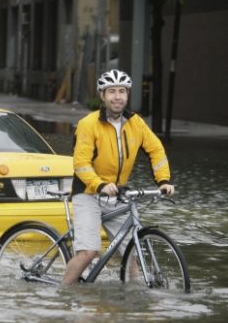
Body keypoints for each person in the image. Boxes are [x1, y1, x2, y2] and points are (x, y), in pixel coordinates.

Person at [62, 69, 175, 285]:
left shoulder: (136, 123)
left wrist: (163, 181)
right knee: (88, 251)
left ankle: (132, 301)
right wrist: (99, 184)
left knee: (130, 252)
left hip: (116, 193)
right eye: (111, 91)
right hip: (88, 192)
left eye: (122, 91)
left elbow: (156, 150)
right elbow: (81, 163)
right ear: (102, 96)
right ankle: (64, 294)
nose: (117, 96)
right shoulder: (88, 124)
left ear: (127, 95)